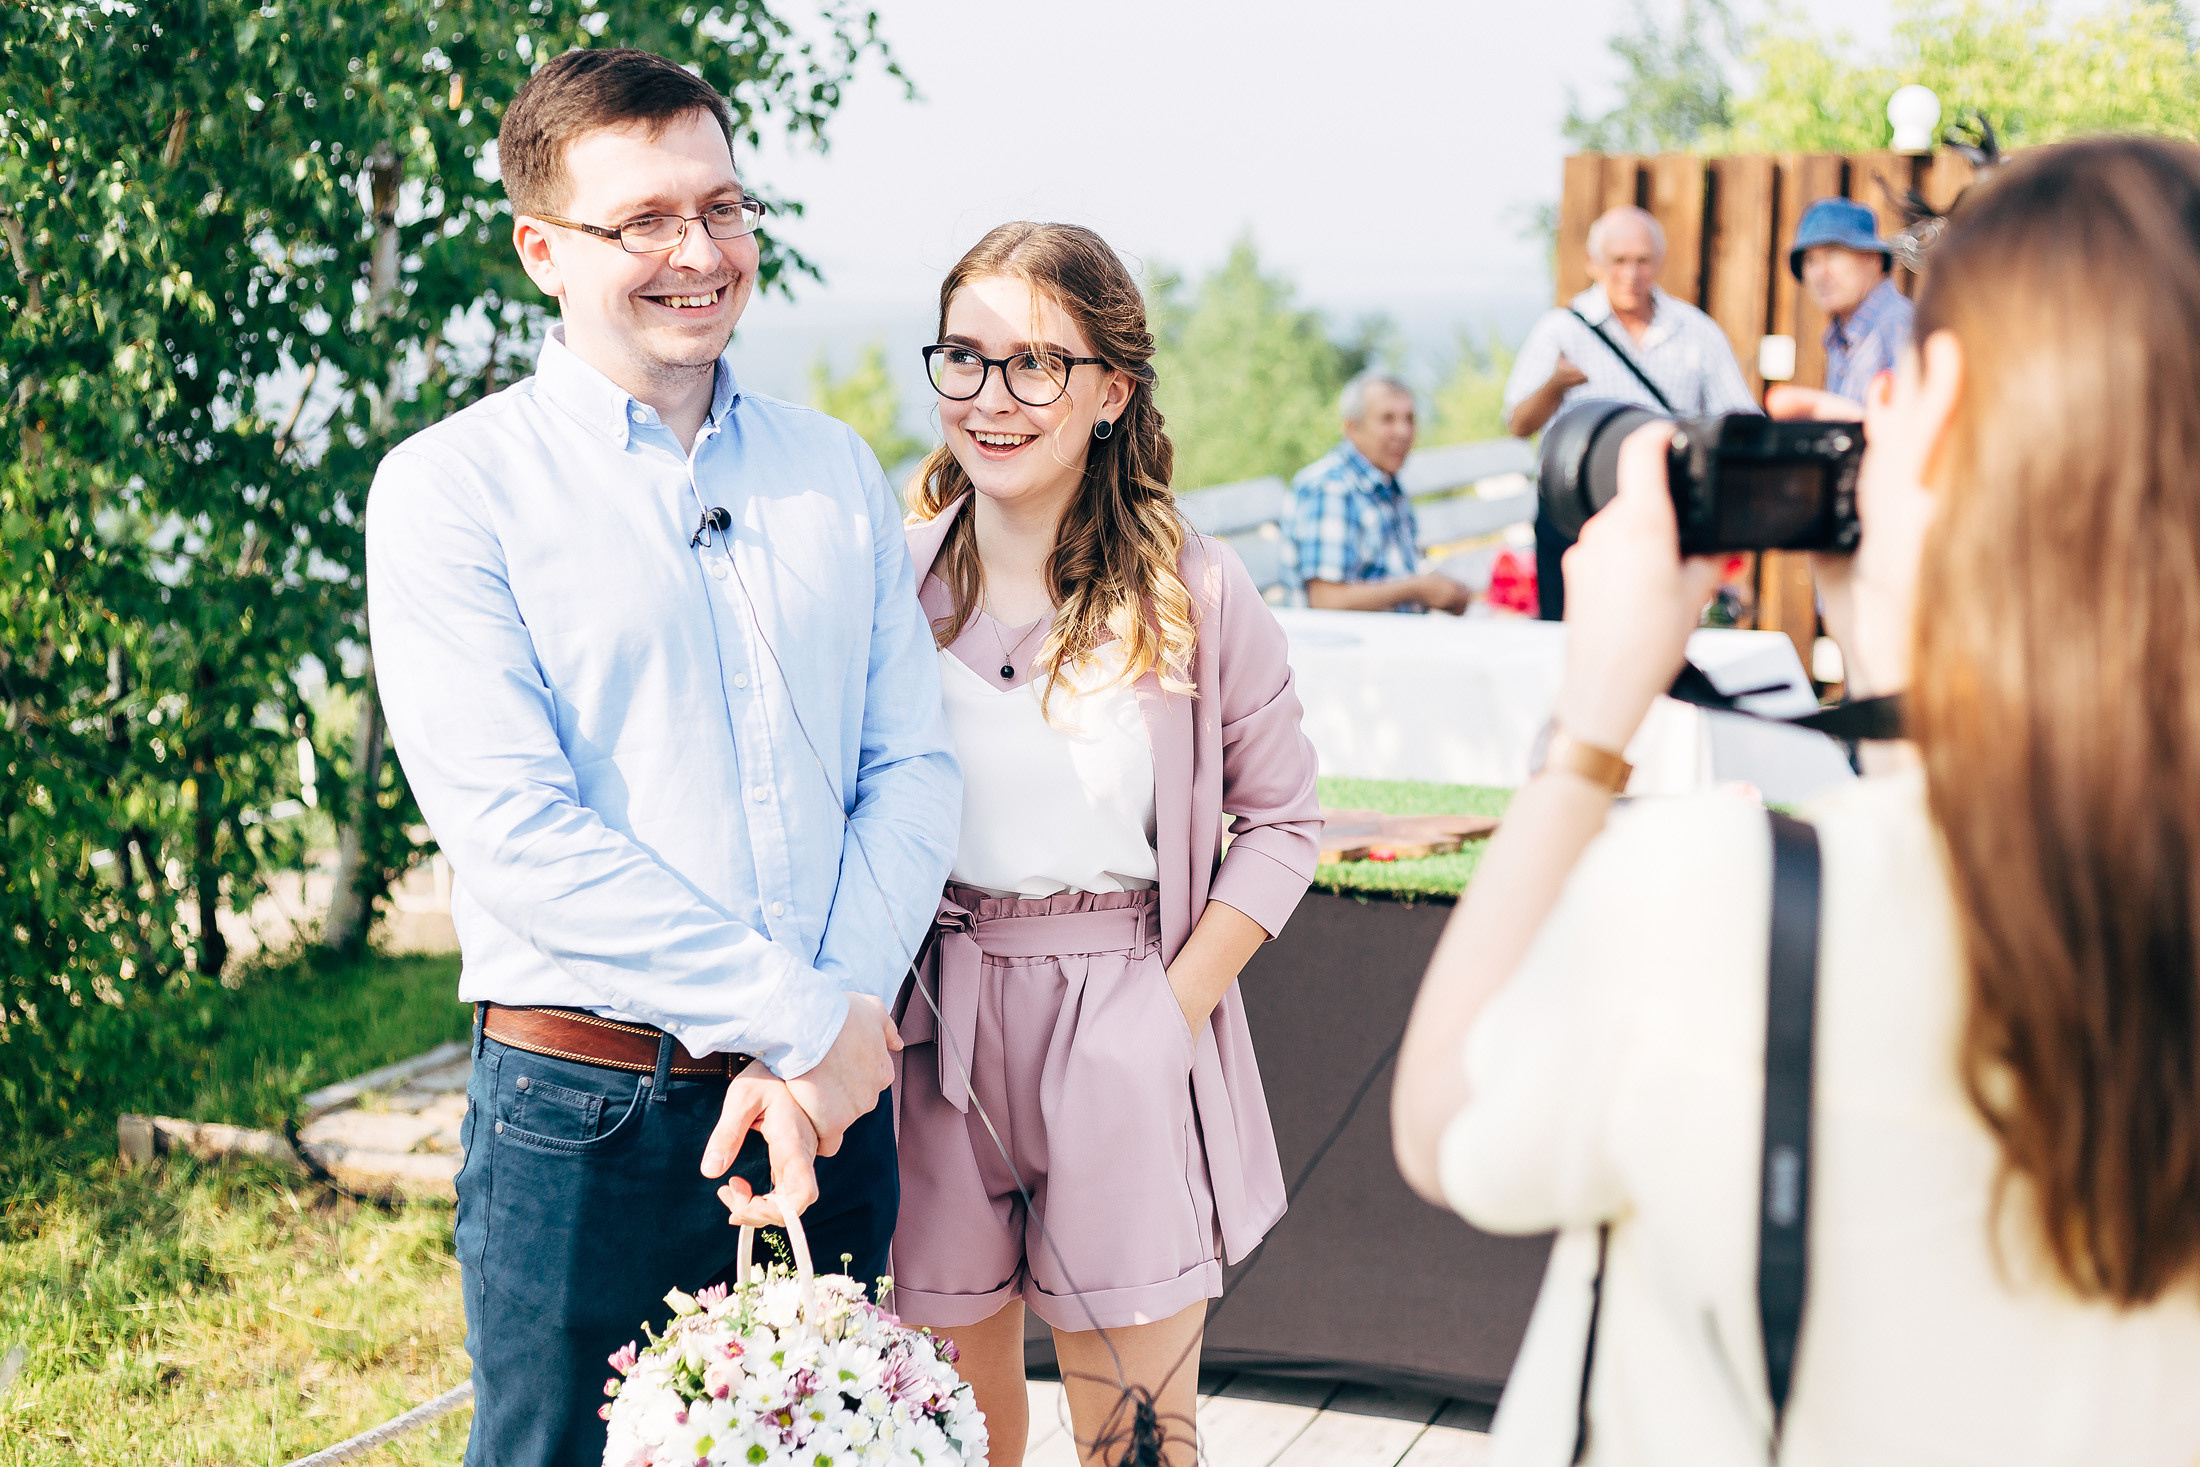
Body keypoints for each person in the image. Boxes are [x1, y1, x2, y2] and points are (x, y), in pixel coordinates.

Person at [1393, 137, 2200, 1465]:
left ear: (1942, 412)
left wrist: (1591, 729)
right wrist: (1899, 642)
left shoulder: (1729, 903)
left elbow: (1445, 1125)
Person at [365, 49, 959, 1467]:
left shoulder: (831, 469)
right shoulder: (452, 490)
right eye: (644, 220)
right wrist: (798, 1015)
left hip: (829, 1107)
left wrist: (827, 1037)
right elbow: (515, 831)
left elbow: (913, 770)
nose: (699, 252)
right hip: (589, 1116)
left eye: (725, 206)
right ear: (541, 249)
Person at [895, 221, 1323, 1467]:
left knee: (1136, 1446)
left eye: (1036, 363)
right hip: (938, 1025)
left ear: (1110, 390)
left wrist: (1160, 1019)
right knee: (950, 1438)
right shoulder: (888, 583)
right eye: (963, 360)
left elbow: (1283, 823)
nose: (993, 397)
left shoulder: (1193, 590)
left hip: (1124, 1018)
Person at [1504, 205, 1758, 619]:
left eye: (1642, 261)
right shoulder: (1562, 330)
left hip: (1664, 516)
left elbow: (1742, 421)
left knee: (1658, 642)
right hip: (1576, 519)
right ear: (1593, 263)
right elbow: (1518, 424)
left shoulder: (1695, 331)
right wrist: (1553, 386)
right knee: (1570, 640)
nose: (1631, 273)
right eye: (1618, 261)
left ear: (1658, 262)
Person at [1281, 371, 1471, 614]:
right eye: (1387, 419)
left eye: (1410, 419)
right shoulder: (1331, 487)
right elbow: (1326, 600)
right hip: (1346, 646)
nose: (1403, 432)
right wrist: (1418, 589)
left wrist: (1441, 591)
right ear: (1351, 427)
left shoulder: (1387, 484)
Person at [1794, 196, 1916, 406]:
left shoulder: (1900, 326)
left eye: (1833, 254)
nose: (1820, 274)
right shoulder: (1841, 335)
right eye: (1810, 260)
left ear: (1874, 260)